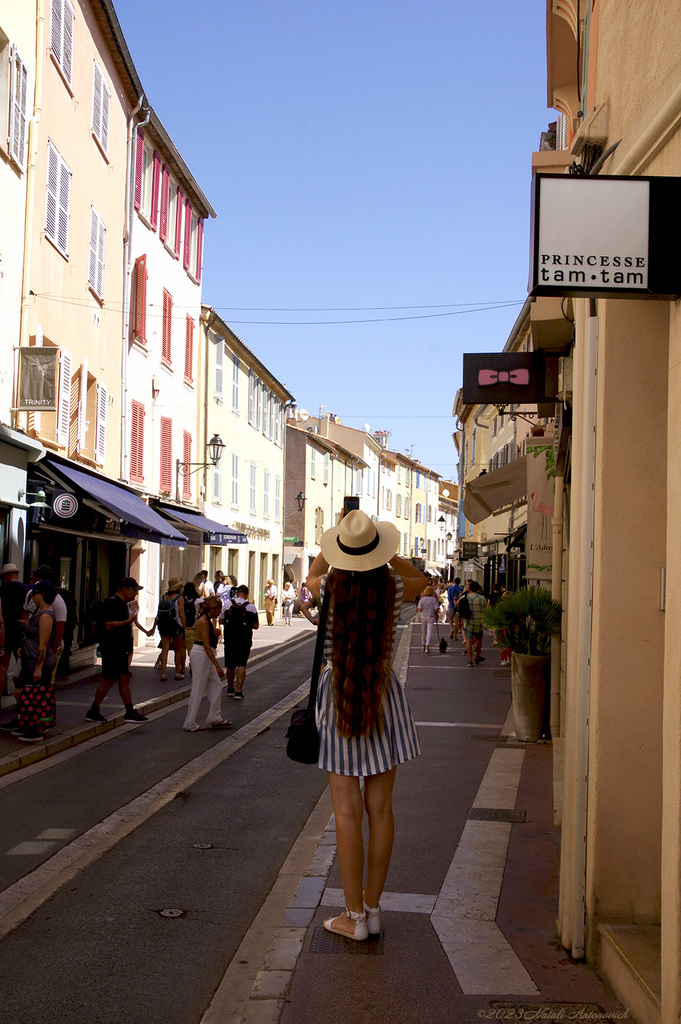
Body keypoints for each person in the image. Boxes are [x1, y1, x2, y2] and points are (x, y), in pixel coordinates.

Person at [306, 509, 426, 941]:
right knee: (382, 810)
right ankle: (373, 910)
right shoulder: (393, 586)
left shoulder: (329, 588)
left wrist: (339, 537)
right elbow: (421, 579)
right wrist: (385, 552)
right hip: (382, 697)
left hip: (337, 698)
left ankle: (351, 917)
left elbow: (312, 573)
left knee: (346, 812)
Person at [85, 578, 148, 724]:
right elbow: (108, 625)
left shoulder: (123, 604)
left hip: (119, 648)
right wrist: (128, 621)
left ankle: (129, 711)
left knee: (124, 678)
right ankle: (94, 710)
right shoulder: (112, 604)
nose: (135, 595)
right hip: (111, 647)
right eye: (134, 591)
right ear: (125, 589)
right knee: (109, 679)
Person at [13, 581, 58, 743]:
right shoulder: (41, 612)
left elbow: (43, 643)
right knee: (24, 692)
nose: (32, 595)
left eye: (35, 592)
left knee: (36, 694)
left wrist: (38, 667)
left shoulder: (46, 615)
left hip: (38, 660)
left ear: (43, 594)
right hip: (29, 657)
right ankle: (29, 724)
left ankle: (37, 728)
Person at [183, 595, 232, 732]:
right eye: (218, 609)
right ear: (212, 608)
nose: (219, 612)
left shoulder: (206, 619)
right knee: (198, 688)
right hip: (202, 655)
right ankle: (190, 722)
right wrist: (217, 665)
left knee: (216, 684)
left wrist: (215, 631)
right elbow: (205, 645)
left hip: (204, 654)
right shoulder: (204, 621)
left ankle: (215, 717)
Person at [0, 564, 28, 726]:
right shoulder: (25, 590)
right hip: (21, 632)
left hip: (5, 633)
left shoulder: (2, 590)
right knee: (22, 668)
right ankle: (20, 702)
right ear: (16, 574)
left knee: (2, 667)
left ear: (5, 576)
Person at [222, 584, 259, 699]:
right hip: (244, 639)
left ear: (237, 593)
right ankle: (238, 691)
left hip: (230, 638)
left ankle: (230, 688)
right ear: (246, 595)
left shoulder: (228, 604)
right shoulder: (251, 607)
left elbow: (221, 620)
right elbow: (256, 625)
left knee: (230, 665)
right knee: (242, 664)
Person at [153, 578, 186, 681]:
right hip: (176, 626)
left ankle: (163, 673)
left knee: (165, 650)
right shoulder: (179, 598)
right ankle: (177, 672)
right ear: (178, 587)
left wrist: (154, 627)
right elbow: (181, 614)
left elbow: (158, 613)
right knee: (177, 650)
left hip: (163, 626)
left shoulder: (163, 597)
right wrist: (185, 627)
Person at [463, 580, 487, 667]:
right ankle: (477, 657)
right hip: (478, 623)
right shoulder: (482, 598)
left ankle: (469, 660)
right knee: (479, 640)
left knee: (468, 641)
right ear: (478, 589)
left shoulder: (465, 597)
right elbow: (485, 611)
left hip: (468, 623)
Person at [417, 585, 440, 654]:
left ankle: (423, 644)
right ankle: (427, 645)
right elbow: (436, 609)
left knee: (423, 631)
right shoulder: (434, 599)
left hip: (423, 616)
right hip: (431, 616)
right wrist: (436, 613)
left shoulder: (422, 599)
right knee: (429, 631)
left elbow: (419, 608)